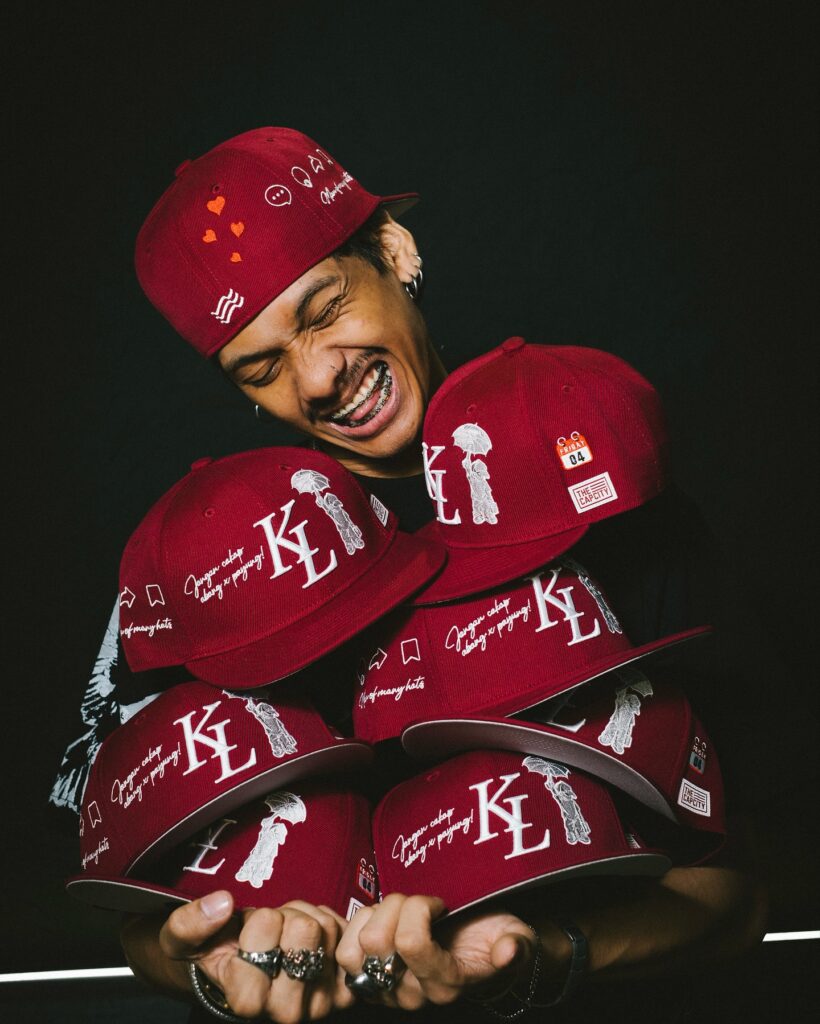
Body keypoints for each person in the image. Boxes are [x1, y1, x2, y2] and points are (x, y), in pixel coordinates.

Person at [58, 127, 766, 1023]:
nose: (318, 377)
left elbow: (743, 895)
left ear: (393, 251)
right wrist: (205, 964)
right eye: (262, 366)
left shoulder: (601, 478)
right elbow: (138, 915)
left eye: (323, 310)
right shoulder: (196, 575)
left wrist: (542, 954)